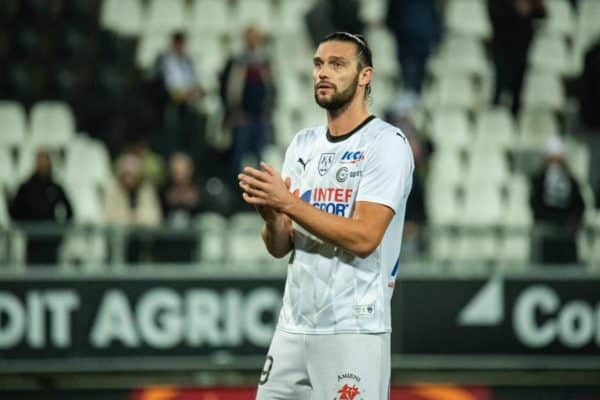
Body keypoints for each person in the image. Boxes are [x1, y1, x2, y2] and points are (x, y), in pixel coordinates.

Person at [238, 32, 414, 400]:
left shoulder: (386, 143)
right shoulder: (303, 144)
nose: (323, 72)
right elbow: (280, 247)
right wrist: (272, 217)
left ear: (365, 76)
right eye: (319, 64)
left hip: (353, 327)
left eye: (337, 64)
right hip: (293, 326)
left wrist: (288, 204)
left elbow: (365, 238)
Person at [219, 26, 275, 187]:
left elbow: (271, 88)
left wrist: (268, 111)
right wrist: (233, 112)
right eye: (250, 37)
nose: (253, 41)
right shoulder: (236, 61)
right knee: (238, 157)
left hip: (260, 117)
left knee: (260, 158)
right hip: (241, 117)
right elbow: (226, 89)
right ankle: (236, 191)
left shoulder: (264, 62)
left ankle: (258, 191)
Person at [9, 149, 73, 265]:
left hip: (51, 242)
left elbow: (69, 212)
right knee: (33, 272)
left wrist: (59, 232)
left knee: (51, 273)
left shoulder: (55, 187)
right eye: (40, 162)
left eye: (45, 162)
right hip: (33, 241)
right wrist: (26, 226)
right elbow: (14, 211)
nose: (43, 166)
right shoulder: (26, 188)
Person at [530, 137, 584, 265]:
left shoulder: (571, 180)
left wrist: (572, 221)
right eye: (552, 159)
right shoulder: (539, 180)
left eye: (558, 159)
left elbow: (579, 204)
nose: (555, 164)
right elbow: (535, 204)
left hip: (567, 233)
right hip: (547, 232)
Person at [488, 0, 546, 115]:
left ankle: (514, 117)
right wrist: (515, 8)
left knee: (518, 90)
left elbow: (542, 13)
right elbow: (494, 11)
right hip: (502, 47)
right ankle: (495, 118)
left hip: (522, 49)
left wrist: (530, 8)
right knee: (499, 87)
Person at [105, 153, 162, 262]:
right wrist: (127, 220)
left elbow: (155, 217)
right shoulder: (114, 191)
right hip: (119, 243)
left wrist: (138, 220)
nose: (129, 179)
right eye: (126, 175)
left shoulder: (147, 191)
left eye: (132, 175)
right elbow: (108, 217)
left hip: (142, 241)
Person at [159, 31, 204, 165]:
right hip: (173, 110)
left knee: (190, 142)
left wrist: (192, 92)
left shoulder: (188, 62)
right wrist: (185, 93)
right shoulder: (165, 62)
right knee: (173, 144)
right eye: (178, 44)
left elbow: (197, 85)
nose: (181, 47)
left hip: (188, 108)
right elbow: (170, 90)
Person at [385, 0, 442, 96]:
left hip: (414, 36)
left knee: (414, 69)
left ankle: (412, 93)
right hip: (411, 36)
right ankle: (411, 93)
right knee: (411, 69)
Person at [156, 152, 203, 262]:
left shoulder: (200, 191)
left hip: (193, 247)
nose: (179, 174)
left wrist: (194, 202)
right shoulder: (162, 192)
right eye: (175, 170)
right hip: (167, 247)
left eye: (182, 170)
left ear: (190, 170)